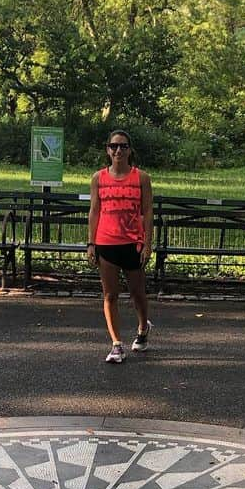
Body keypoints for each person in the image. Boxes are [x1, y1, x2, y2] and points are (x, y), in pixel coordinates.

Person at [86, 129, 154, 363]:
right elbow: (94, 210)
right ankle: (116, 344)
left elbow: (147, 211)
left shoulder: (141, 178)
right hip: (106, 242)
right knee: (110, 295)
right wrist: (91, 243)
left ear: (130, 150)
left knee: (137, 293)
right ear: (107, 150)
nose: (118, 150)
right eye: (113, 146)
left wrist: (147, 243)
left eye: (123, 146)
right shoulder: (98, 178)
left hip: (132, 243)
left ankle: (143, 329)